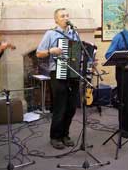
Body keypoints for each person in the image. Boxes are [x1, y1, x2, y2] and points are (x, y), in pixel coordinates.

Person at [36, 8, 79, 150]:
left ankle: (65, 134)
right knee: (60, 107)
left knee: (72, 106)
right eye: (62, 16)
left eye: (67, 15)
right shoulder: (50, 33)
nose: (66, 17)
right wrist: (50, 51)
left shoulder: (74, 33)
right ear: (56, 19)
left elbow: (79, 52)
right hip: (57, 71)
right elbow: (38, 53)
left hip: (72, 72)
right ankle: (55, 136)